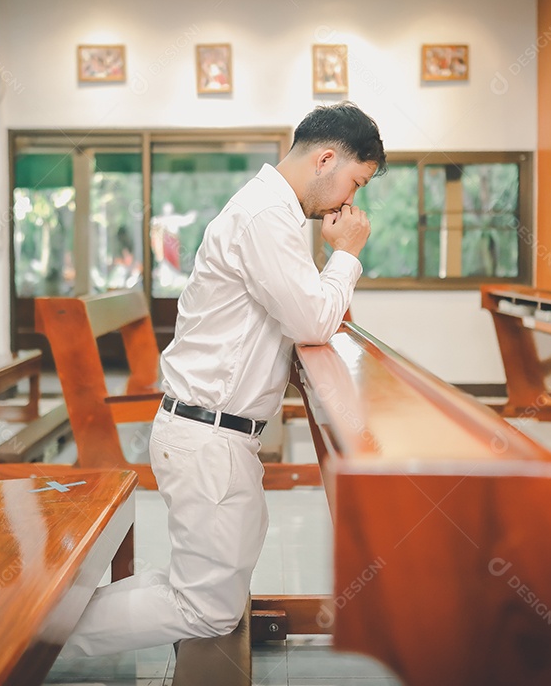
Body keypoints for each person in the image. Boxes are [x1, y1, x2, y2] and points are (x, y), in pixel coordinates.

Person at [68, 101, 386, 655]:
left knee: (202, 588)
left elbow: (293, 316)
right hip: (208, 434)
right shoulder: (266, 216)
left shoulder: (272, 213)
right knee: (207, 609)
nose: (350, 201)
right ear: (327, 158)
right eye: (354, 182)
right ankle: (26, 637)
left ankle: (41, 624)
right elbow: (311, 318)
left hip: (214, 432)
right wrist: (348, 256)